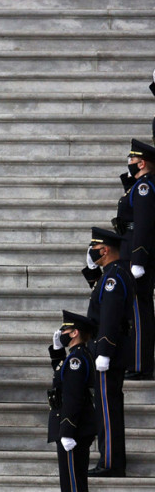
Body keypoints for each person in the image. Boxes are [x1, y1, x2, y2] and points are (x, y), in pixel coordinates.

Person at [46, 310, 100, 492]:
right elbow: (61, 377)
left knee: (74, 488)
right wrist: (57, 350)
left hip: (73, 431)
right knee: (72, 487)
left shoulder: (77, 359)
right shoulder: (76, 356)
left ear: (75, 333)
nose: (62, 334)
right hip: (75, 429)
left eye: (65, 331)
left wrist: (66, 428)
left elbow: (74, 396)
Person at [85, 227, 134, 477]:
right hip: (111, 351)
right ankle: (111, 460)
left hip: (109, 353)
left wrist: (103, 350)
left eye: (94, 249)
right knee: (107, 407)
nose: (91, 253)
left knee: (107, 408)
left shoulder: (114, 278)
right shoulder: (112, 274)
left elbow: (111, 317)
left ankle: (111, 463)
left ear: (104, 250)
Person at [113, 139, 155, 379]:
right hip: (130, 251)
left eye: (131, 159)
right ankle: (136, 361)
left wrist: (138, 258)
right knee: (135, 311)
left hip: (138, 256)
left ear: (141, 162)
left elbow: (143, 225)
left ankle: (141, 364)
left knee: (140, 312)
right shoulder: (139, 185)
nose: (128, 163)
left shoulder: (145, 188)